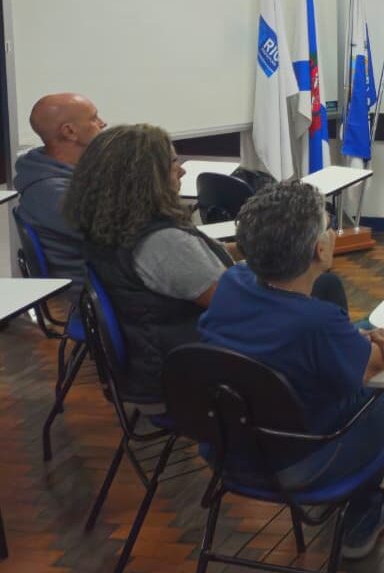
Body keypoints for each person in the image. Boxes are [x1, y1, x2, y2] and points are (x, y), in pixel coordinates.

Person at [198, 181, 384, 561]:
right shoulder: (315, 323)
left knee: (361, 335)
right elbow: (377, 365)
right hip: (303, 463)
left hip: (228, 450)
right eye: (328, 225)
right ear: (320, 248)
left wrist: (359, 335)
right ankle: (368, 506)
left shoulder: (232, 283)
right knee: (383, 381)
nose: (332, 231)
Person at [63, 124, 233, 400]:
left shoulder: (109, 226)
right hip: (193, 377)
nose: (181, 170)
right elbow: (236, 304)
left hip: (155, 367)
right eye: (173, 162)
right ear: (144, 178)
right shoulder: (162, 243)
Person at [13, 93, 107, 296]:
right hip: (92, 294)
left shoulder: (72, 173)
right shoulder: (52, 192)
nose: (103, 123)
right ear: (69, 132)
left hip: (103, 280)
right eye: (94, 118)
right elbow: (121, 234)